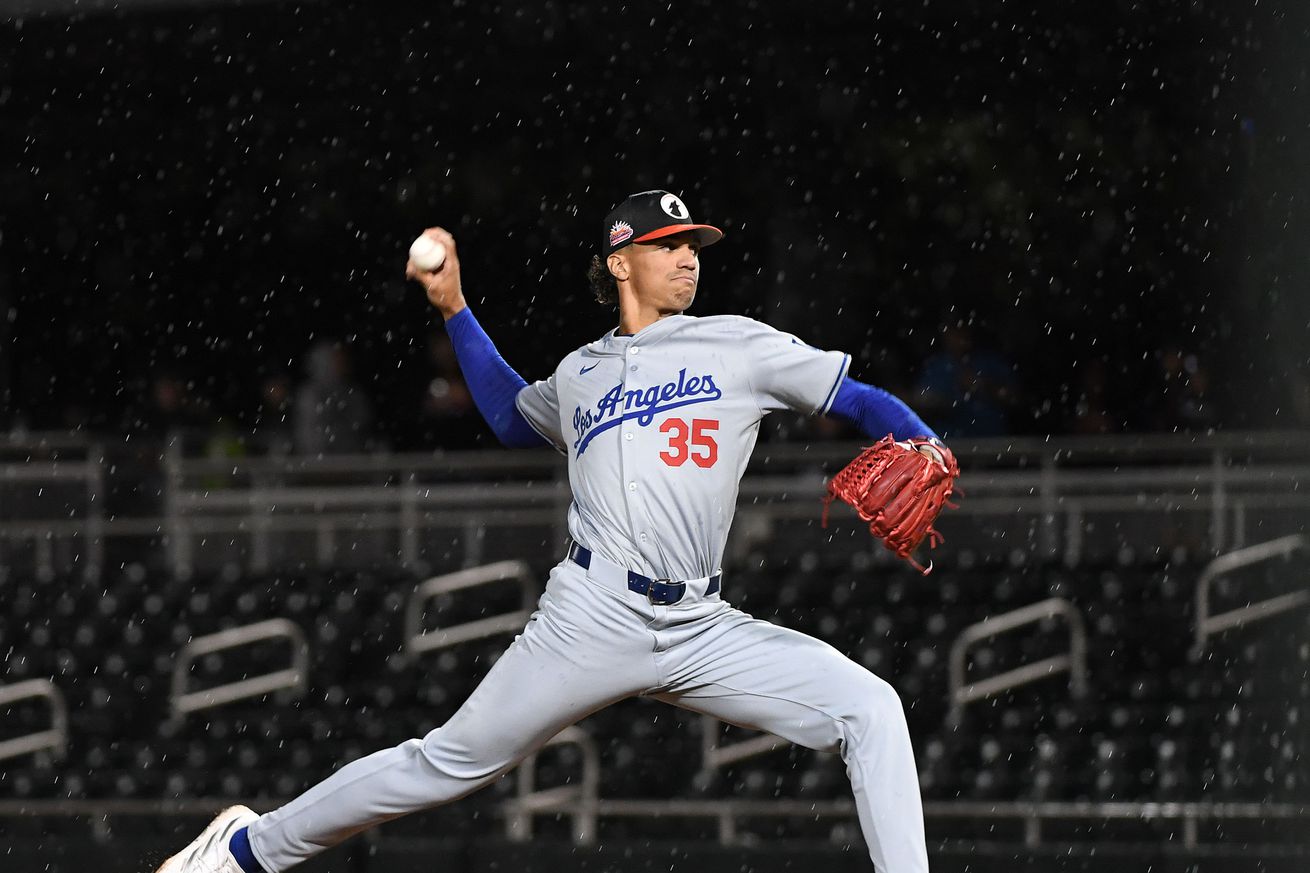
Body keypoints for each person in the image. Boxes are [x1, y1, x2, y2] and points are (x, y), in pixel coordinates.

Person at [157, 190, 945, 873]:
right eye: (668, 245)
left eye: (693, 245)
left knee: (870, 707)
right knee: (447, 762)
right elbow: (508, 414)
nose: (688, 258)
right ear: (620, 263)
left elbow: (858, 395)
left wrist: (923, 440)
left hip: (703, 624)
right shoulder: (580, 373)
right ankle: (247, 848)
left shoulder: (740, 344)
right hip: (591, 614)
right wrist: (456, 309)